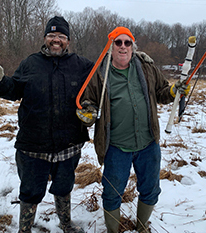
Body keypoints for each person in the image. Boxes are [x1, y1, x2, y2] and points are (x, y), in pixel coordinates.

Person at [0, 16, 94, 233]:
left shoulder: (82, 65)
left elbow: (103, 82)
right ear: (45, 38)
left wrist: (135, 60)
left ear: (68, 40)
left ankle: (66, 224)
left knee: (64, 187)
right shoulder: (30, 63)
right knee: (30, 190)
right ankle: (25, 229)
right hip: (33, 144)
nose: (56, 40)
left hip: (69, 143)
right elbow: (13, 90)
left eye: (61, 36)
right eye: (51, 35)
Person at [76, 27, 190, 233]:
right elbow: (88, 102)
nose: (122, 46)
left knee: (150, 189)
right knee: (112, 193)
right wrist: (88, 113)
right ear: (110, 47)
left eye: (127, 43)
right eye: (117, 42)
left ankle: (141, 226)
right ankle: (113, 230)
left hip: (148, 144)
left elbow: (162, 92)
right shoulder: (99, 73)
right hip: (116, 146)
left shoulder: (146, 68)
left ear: (133, 47)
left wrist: (174, 91)